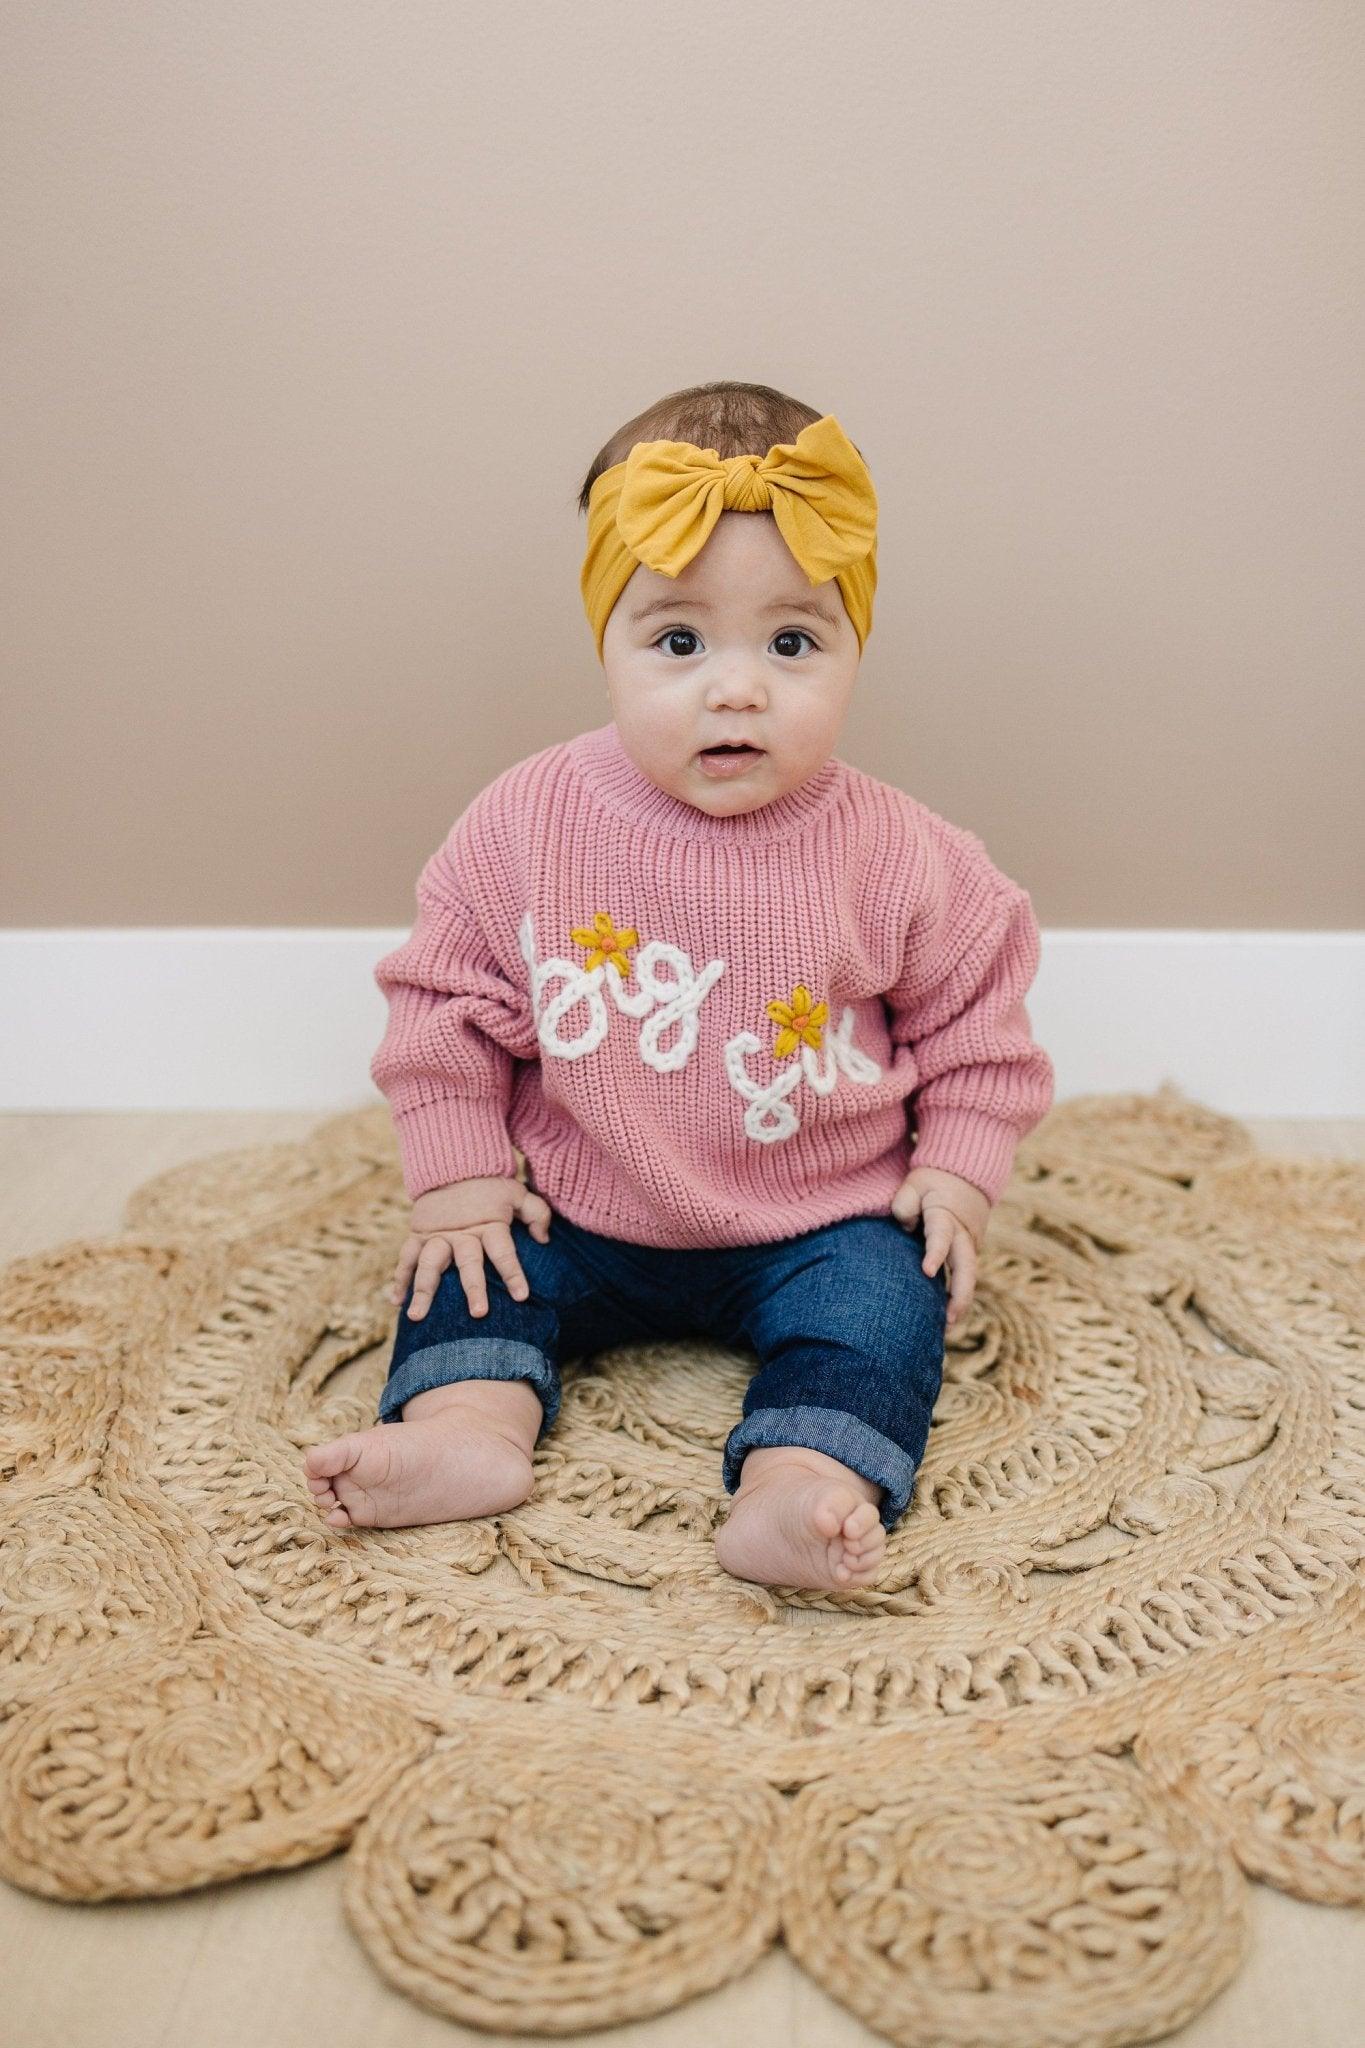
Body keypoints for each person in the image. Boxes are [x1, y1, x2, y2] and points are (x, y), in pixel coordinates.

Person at [304, 380, 1054, 1591]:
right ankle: (465, 1430)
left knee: (886, 1304)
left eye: (792, 643)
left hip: (819, 1217)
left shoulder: (906, 856)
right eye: (679, 642)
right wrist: (461, 1179)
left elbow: (980, 1027)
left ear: (856, 649)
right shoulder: (525, 824)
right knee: (475, 1269)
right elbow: (444, 1004)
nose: (736, 688)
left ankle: (800, 1481)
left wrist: (958, 1172)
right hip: (578, 1204)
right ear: (606, 643)